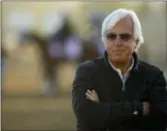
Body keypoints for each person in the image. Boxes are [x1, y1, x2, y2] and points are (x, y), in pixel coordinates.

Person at [72, 8, 167, 131]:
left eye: (125, 36)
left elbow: (159, 124)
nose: (117, 42)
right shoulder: (87, 72)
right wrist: (138, 108)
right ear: (104, 41)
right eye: (111, 36)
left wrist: (102, 108)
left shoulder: (155, 77)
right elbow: (86, 116)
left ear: (136, 42)